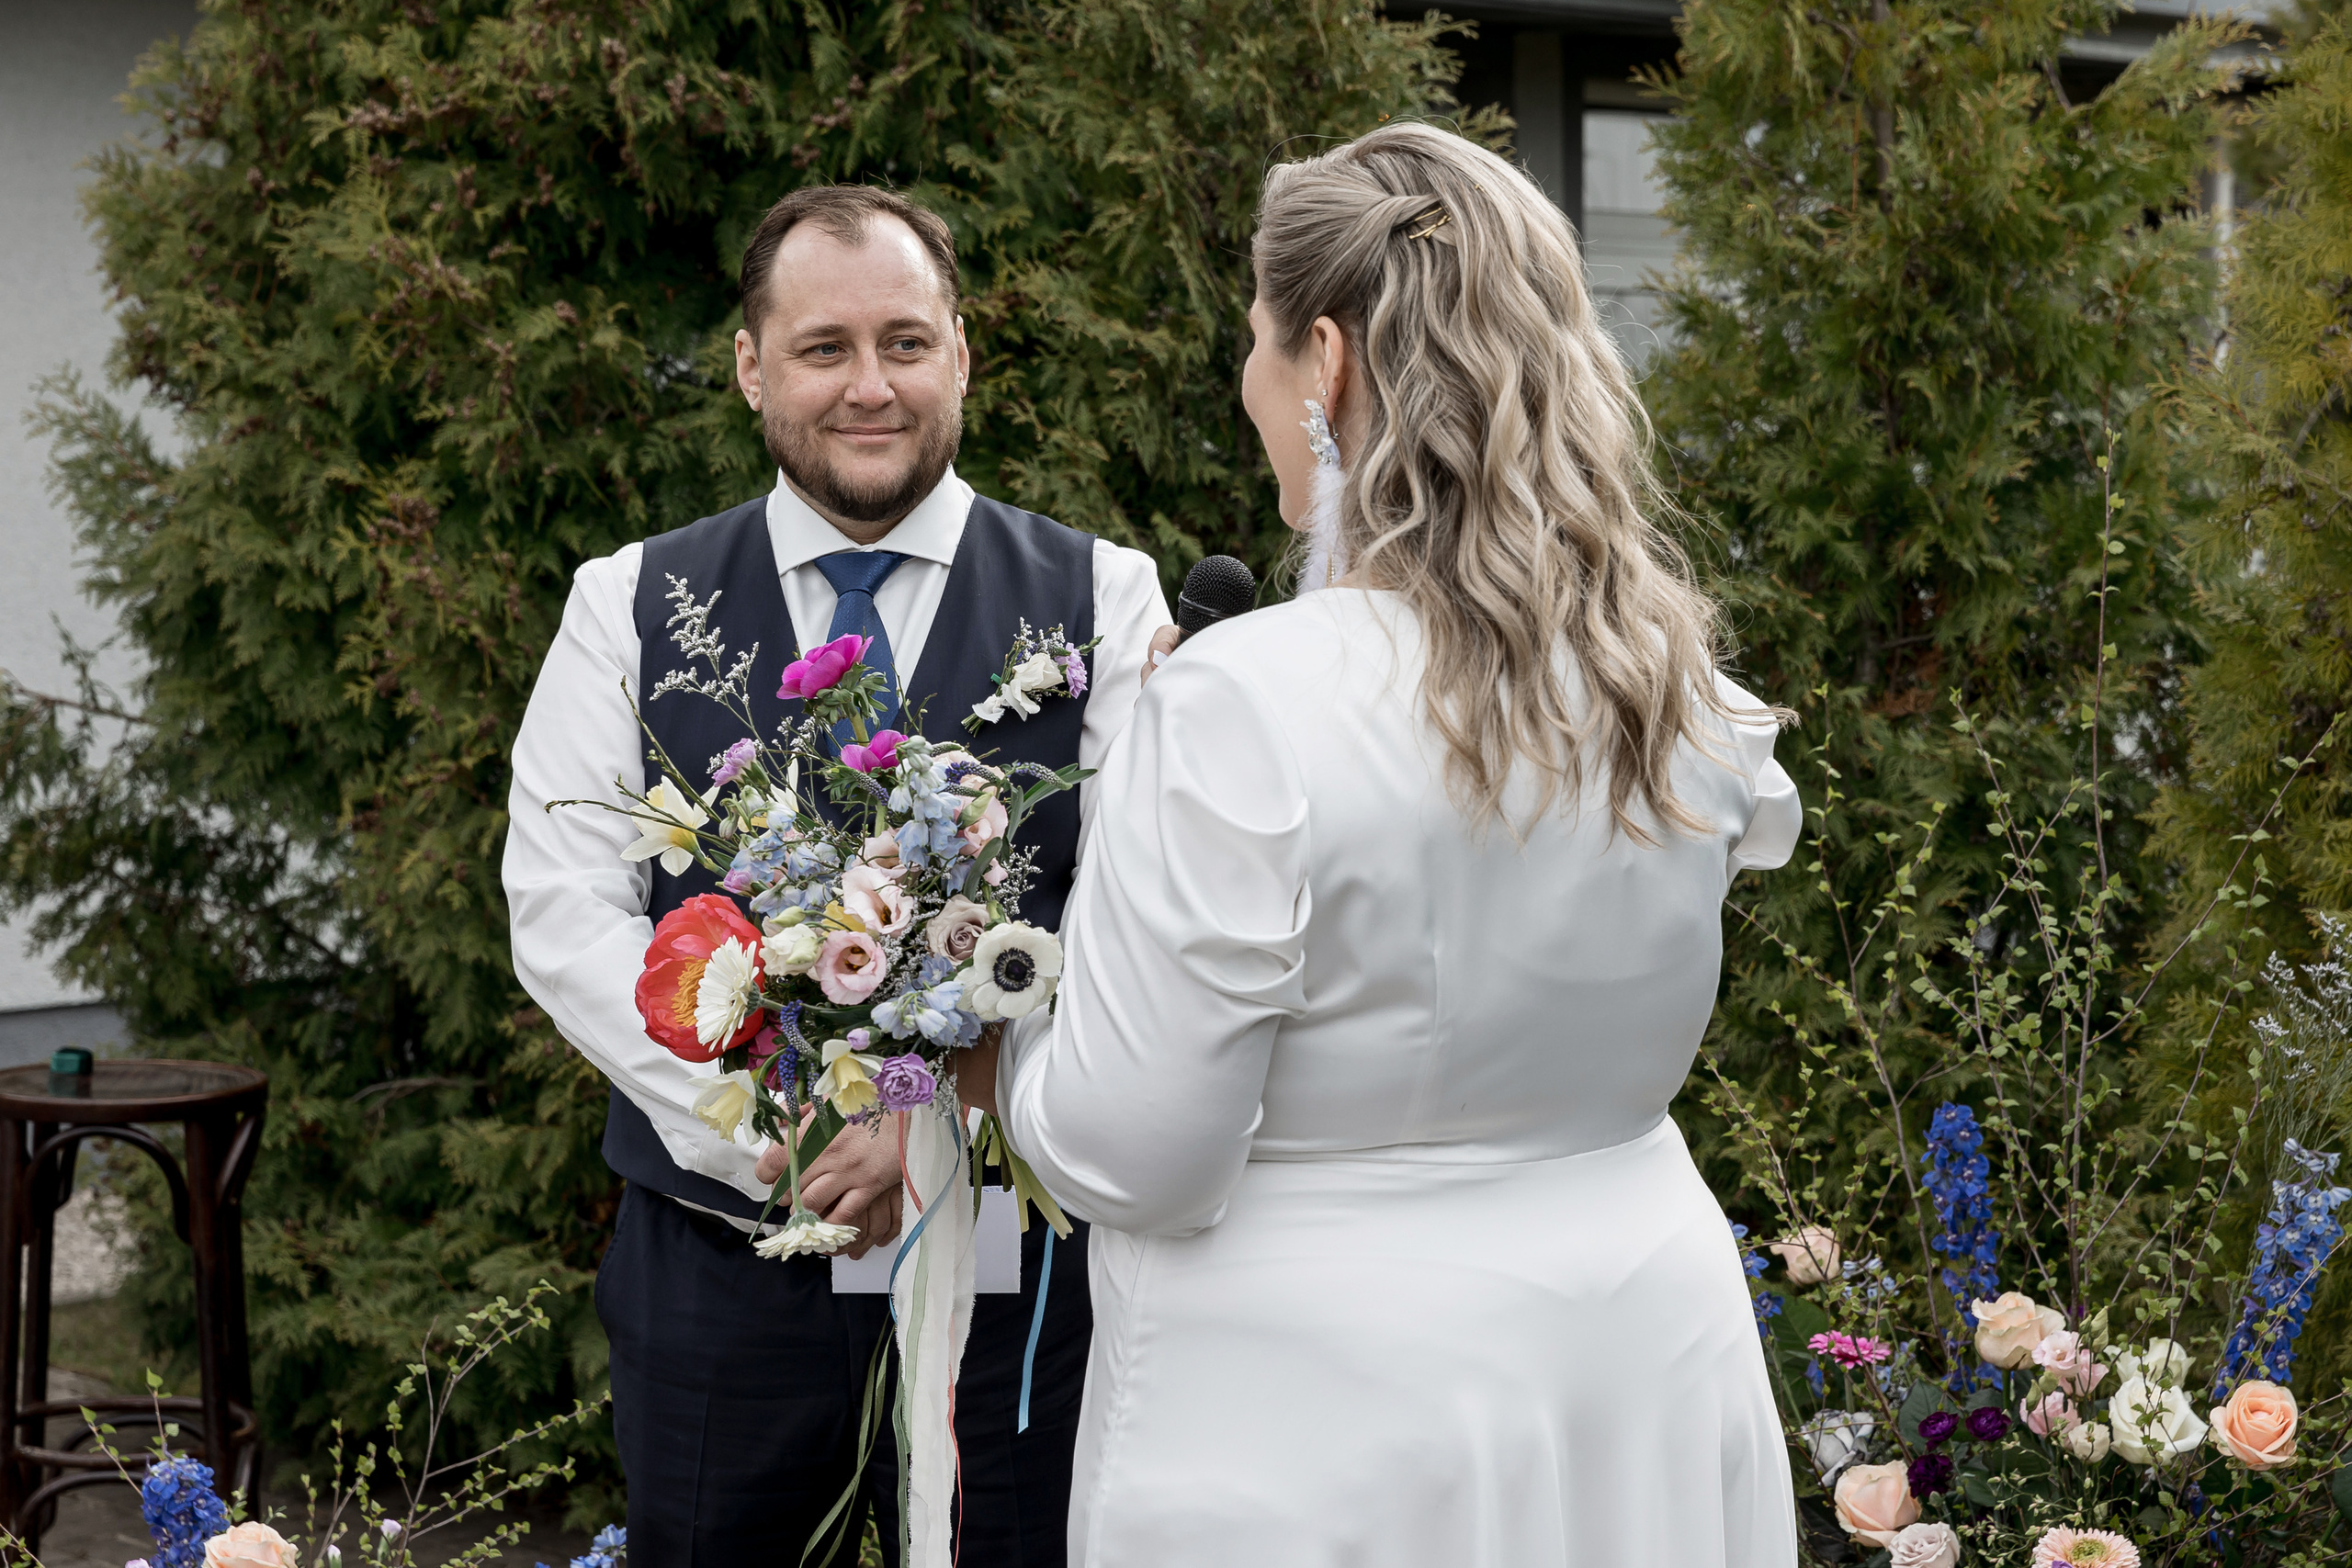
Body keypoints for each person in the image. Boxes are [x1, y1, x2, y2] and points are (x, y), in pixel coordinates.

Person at [961, 123, 1804, 1565]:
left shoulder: (1238, 707)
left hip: (1327, 1415)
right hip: (1639, 1359)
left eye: (1256, 343)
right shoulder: (1677, 689)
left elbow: (1138, 1152)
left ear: (1329, 364)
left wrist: (998, 1058)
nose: (1248, 381)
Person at [503, 185, 1169, 1565]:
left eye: (907, 343)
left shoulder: (1109, 598)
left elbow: (1140, 923)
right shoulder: (623, 602)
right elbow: (563, 913)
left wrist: (927, 1116)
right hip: (723, 1272)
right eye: (824, 349)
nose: (871, 387)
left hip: (1016, 1277)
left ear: (962, 356)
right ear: (753, 367)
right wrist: (786, 1128)